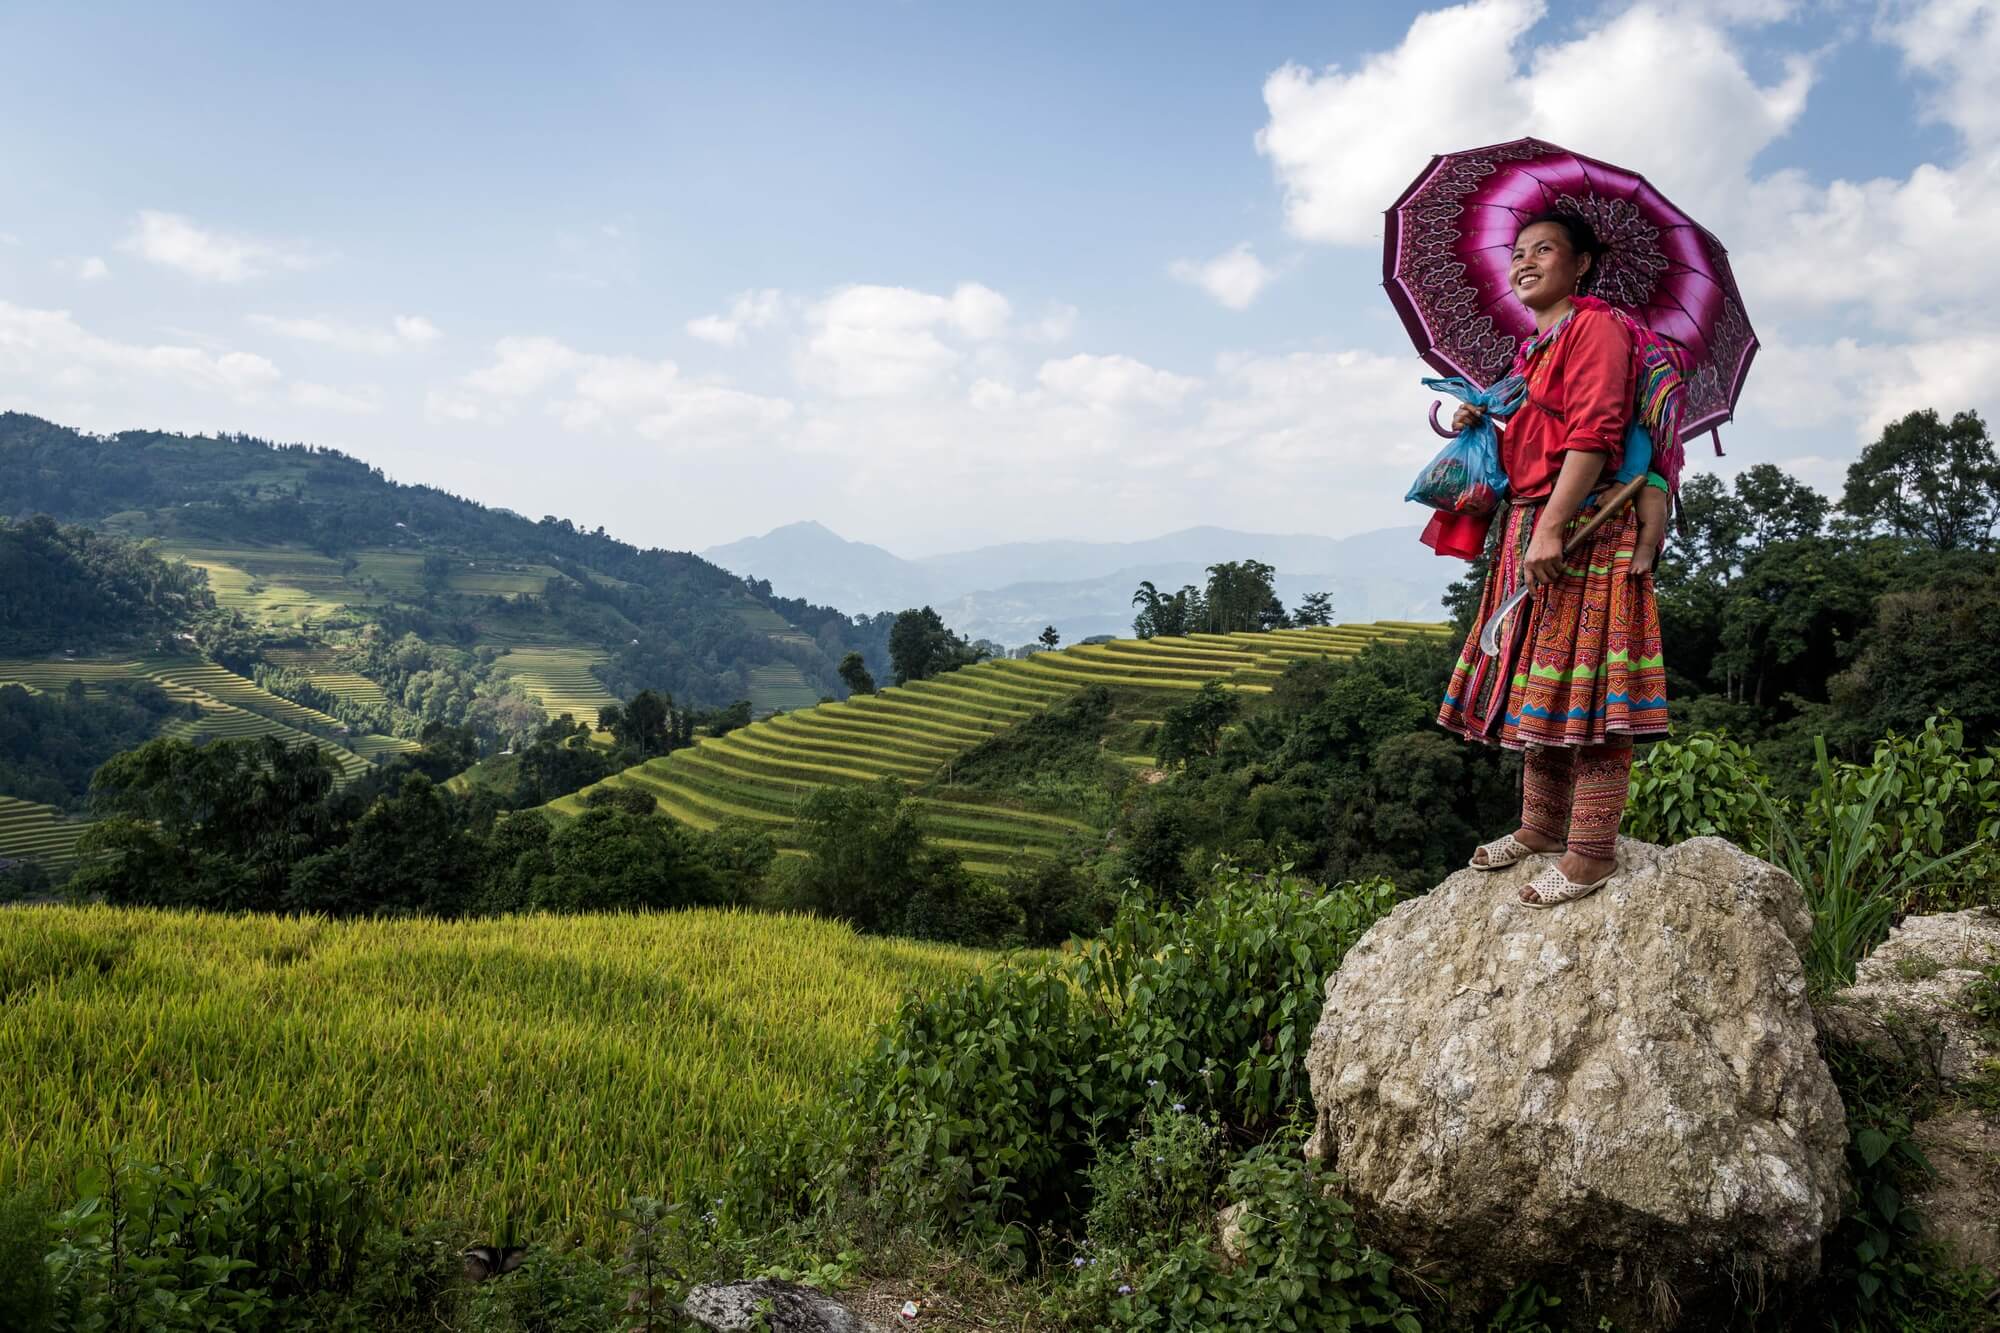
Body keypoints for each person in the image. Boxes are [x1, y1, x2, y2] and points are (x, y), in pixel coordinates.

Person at [1435, 211, 1670, 907]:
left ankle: (1591, 851)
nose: (1526, 261)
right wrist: (1484, 420)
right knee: (1543, 683)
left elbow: (1594, 433)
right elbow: (1541, 433)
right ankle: (1540, 827)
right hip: (1536, 522)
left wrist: (1553, 527)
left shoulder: (1595, 327)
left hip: (1584, 528)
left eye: (1546, 250)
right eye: (1519, 251)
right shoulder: (1533, 348)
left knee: (1590, 690)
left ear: (1582, 264)